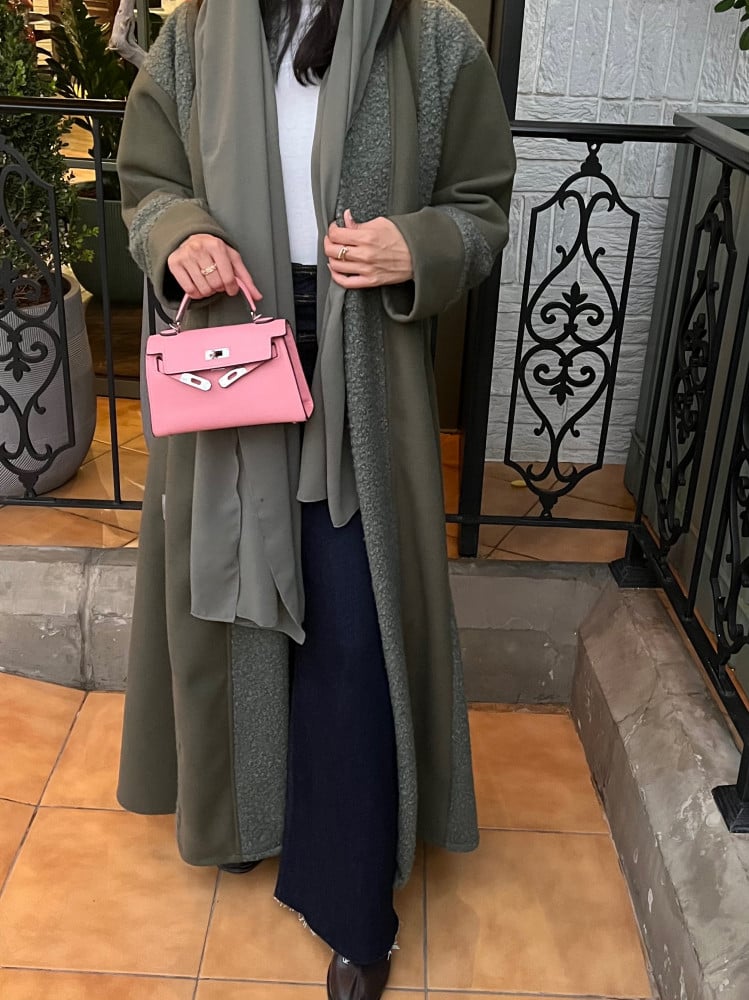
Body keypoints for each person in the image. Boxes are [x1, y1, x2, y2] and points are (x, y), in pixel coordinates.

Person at [116, 0, 515, 996]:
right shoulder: (198, 34)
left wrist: (417, 247)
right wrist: (180, 235)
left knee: (350, 620)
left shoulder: (429, 39)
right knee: (235, 595)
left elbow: (480, 204)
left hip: (362, 363)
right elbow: (149, 183)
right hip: (232, 341)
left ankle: (350, 903)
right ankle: (247, 815)